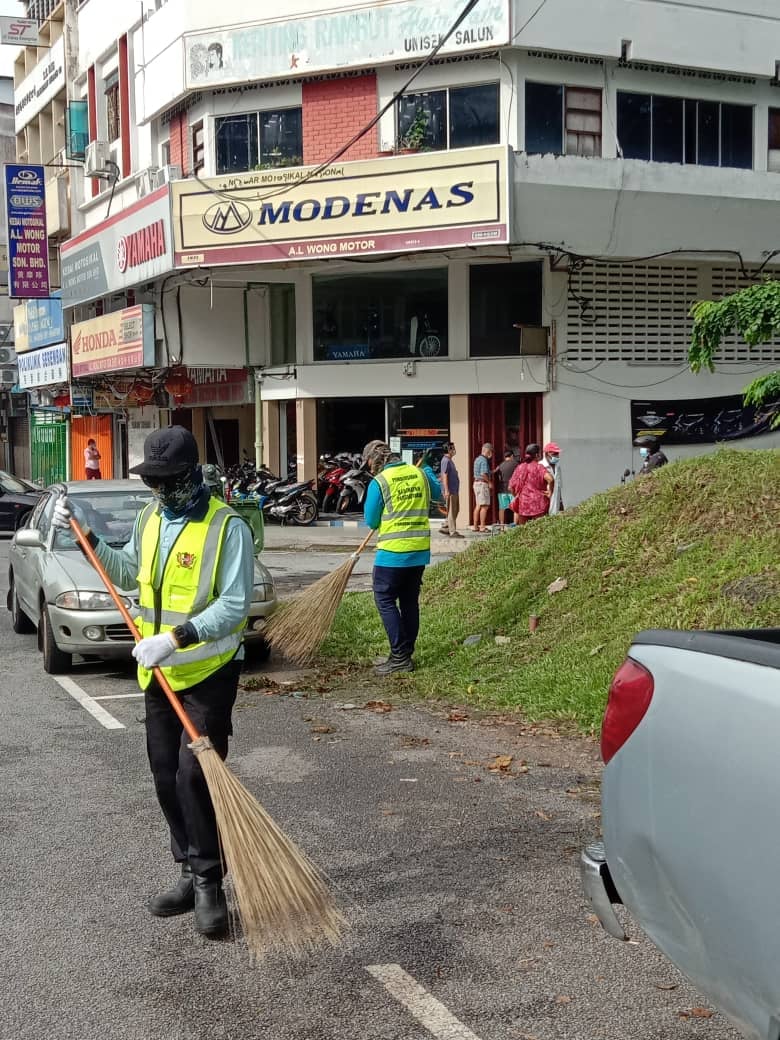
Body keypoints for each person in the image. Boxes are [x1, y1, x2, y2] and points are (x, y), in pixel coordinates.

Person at [52, 426, 255, 939]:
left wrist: (177, 637)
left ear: (191, 475)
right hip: (158, 675)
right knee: (165, 777)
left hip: (207, 672)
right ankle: (187, 869)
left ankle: (210, 882)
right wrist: (88, 534)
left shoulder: (226, 527)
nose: (161, 491)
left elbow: (235, 605)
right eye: (154, 482)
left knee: (195, 775)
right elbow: (125, 571)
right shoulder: (150, 519)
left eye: (169, 481)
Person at [363, 439, 441, 676]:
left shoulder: (380, 482)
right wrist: (426, 468)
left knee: (385, 599)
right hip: (418, 553)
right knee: (408, 601)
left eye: (368, 463)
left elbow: (371, 521)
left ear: (374, 461)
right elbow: (437, 495)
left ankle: (399, 656)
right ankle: (405, 654)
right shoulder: (419, 474)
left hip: (392, 553)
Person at [508, 443, 553, 524]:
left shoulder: (520, 467)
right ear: (537, 455)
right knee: (540, 531)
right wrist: (550, 491)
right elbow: (550, 479)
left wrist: (517, 495)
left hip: (523, 505)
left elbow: (510, 487)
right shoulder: (539, 467)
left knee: (524, 532)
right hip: (539, 505)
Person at [438, 442, 463, 539]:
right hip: (451, 490)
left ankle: (446, 527)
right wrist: (446, 490)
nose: (454, 450)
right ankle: (452, 531)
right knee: (452, 510)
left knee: (455, 509)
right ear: (449, 450)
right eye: (453, 448)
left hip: (454, 490)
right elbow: (444, 475)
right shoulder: (445, 461)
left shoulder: (449, 460)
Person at [471, 442, 493, 532]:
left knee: (478, 505)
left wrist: (492, 471)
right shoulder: (484, 460)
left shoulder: (477, 459)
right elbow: (483, 474)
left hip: (476, 483)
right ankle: (482, 527)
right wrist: (489, 482)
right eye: (491, 451)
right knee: (484, 506)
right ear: (487, 451)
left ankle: (476, 526)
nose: (491, 454)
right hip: (482, 484)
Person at [495, 449, 518, 526]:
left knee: (502, 508)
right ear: (512, 456)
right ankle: (515, 526)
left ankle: (501, 526)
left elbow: (496, 474)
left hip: (502, 489)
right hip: (512, 490)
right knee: (515, 508)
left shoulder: (500, 465)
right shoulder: (516, 464)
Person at [540, 442, 564, 515]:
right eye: (554, 454)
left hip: (555, 501)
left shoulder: (557, 466)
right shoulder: (540, 466)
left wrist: (560, 501)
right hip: (544, 501)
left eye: (557, 454)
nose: (557, 456)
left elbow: (558, 485)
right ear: (547, 454)